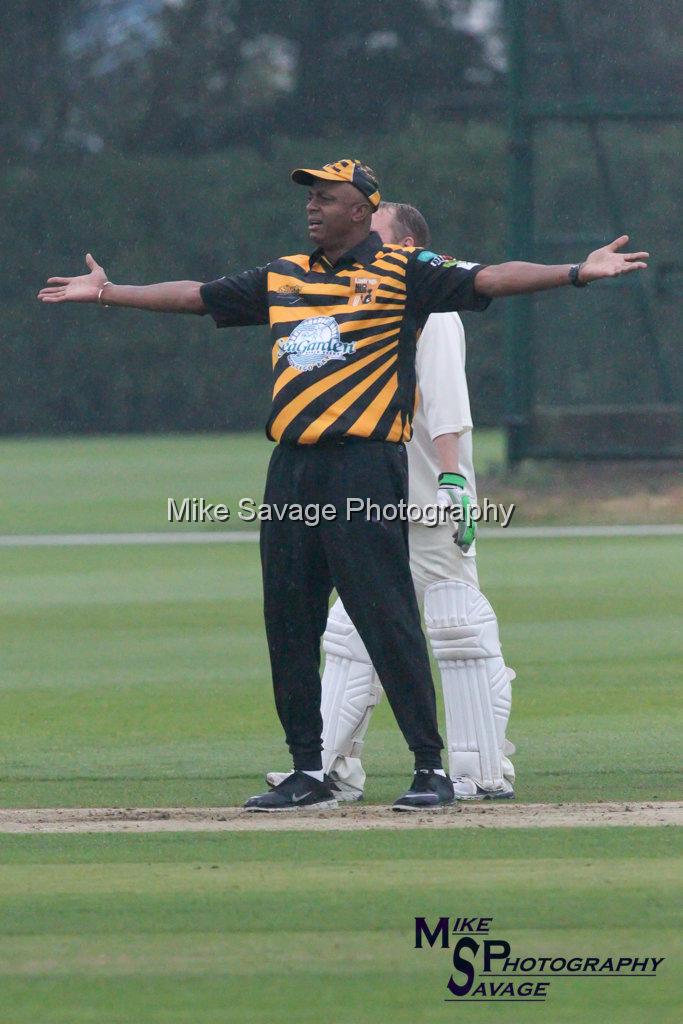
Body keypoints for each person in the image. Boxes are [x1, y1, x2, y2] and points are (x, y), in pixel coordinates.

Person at [38, 158, 649, 812]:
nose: (312, 208)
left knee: (385, 615)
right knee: (289, 621)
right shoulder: (285, 274)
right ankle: (308, 772)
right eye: (311, 198)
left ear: (361, 209)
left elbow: (490, 277)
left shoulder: (403, 271)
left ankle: (428, 769)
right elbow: (197, 295)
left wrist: (576, 273)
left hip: (364, 464)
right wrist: (107, 291)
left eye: (326, 198)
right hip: (293, 467)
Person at [266, 201, 516, 803]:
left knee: (456, 623)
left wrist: (454, 483)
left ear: (406, 247)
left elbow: (448, 404)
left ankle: (480, 769)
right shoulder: (358, 302)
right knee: (351, 629)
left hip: (430, 492)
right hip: (369, 488)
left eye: (376, 238)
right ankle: (330, 767)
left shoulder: (433, 306)